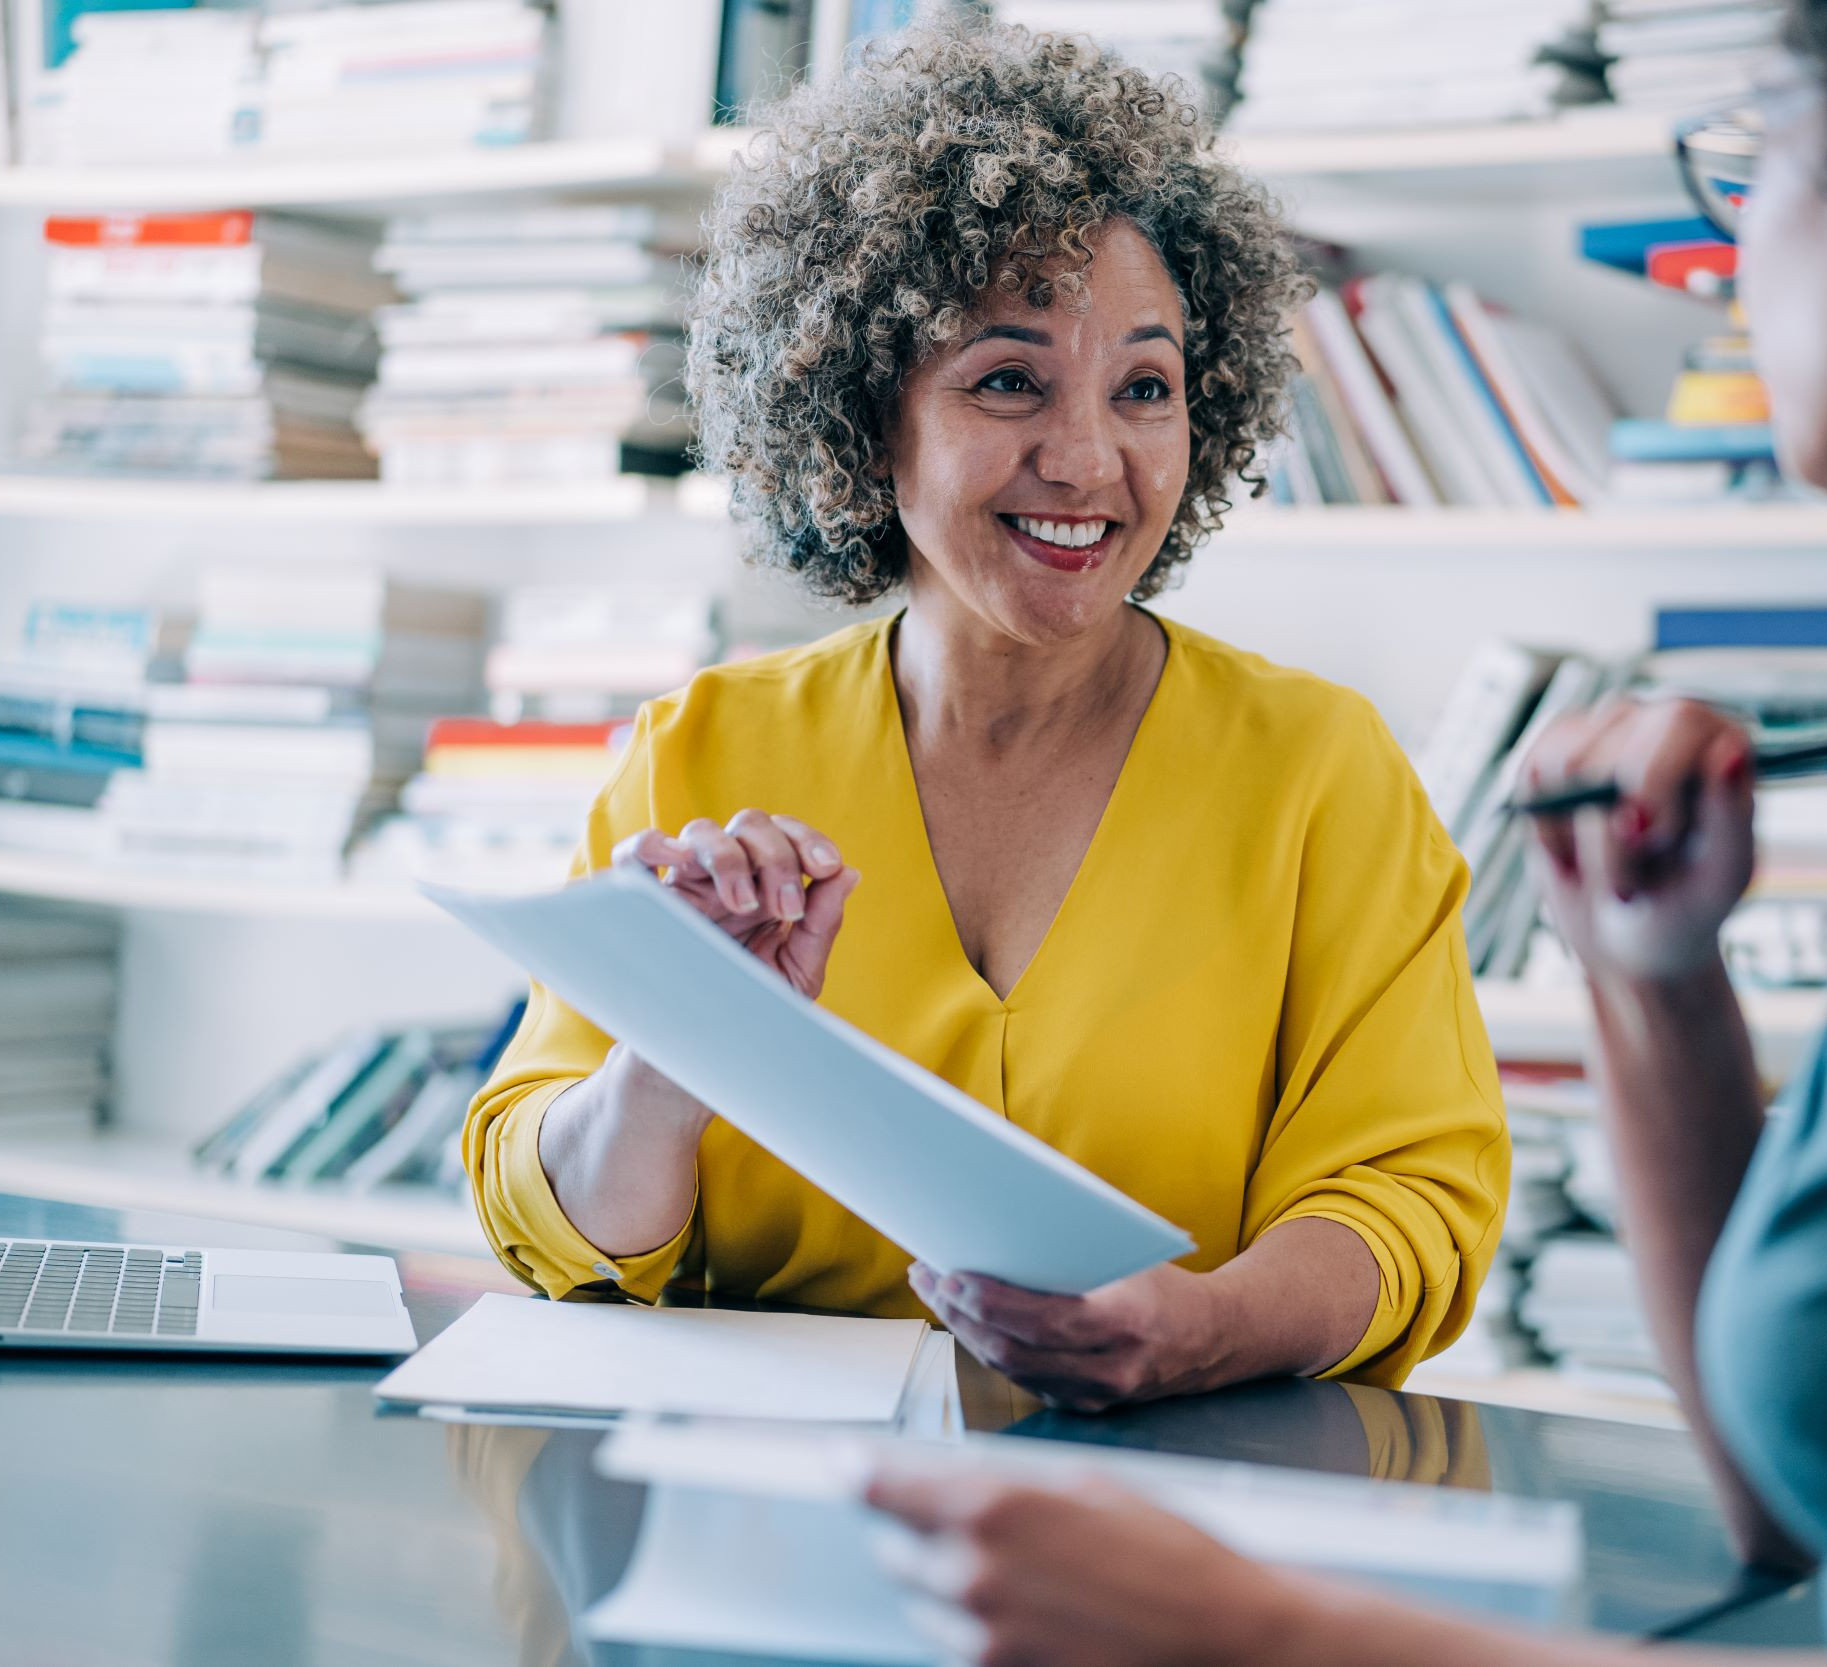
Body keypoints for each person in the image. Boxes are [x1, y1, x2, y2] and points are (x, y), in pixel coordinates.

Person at [865, 1, 1827, 1660]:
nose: (1730, 246)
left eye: (1747, 164)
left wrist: (1249, 1632)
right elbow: (1801, 1508)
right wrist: (1655, 985)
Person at [462, 21, 1509, 1410]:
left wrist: (1199, 1328)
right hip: (763, 1529)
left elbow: (1411, 1202)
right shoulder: (703, 758)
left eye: (1145, 387)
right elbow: (555, 1228)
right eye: (1008, 379)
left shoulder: (1320, 772)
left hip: (1174, 1528)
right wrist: (674, 1055)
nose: (1087, 461)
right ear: (856, 408)